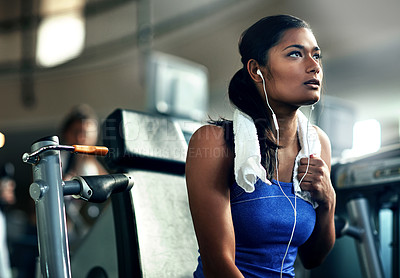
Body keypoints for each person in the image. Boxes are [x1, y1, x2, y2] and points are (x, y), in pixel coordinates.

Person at [185, 15, 336, 277]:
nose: (314, 66)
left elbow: (313, 258)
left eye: (316, 55)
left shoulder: (317, 144)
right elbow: (217, 263)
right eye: (295, 54)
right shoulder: (214, 141)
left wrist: (328, 201)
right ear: (257, 70)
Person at [60, 104, 108, 247]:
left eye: (86, 133)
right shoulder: (56, 163)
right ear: (67, 134)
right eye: (76, 132)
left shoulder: (98, 169)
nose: (81, 138)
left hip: (91, 238)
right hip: (63, 236)